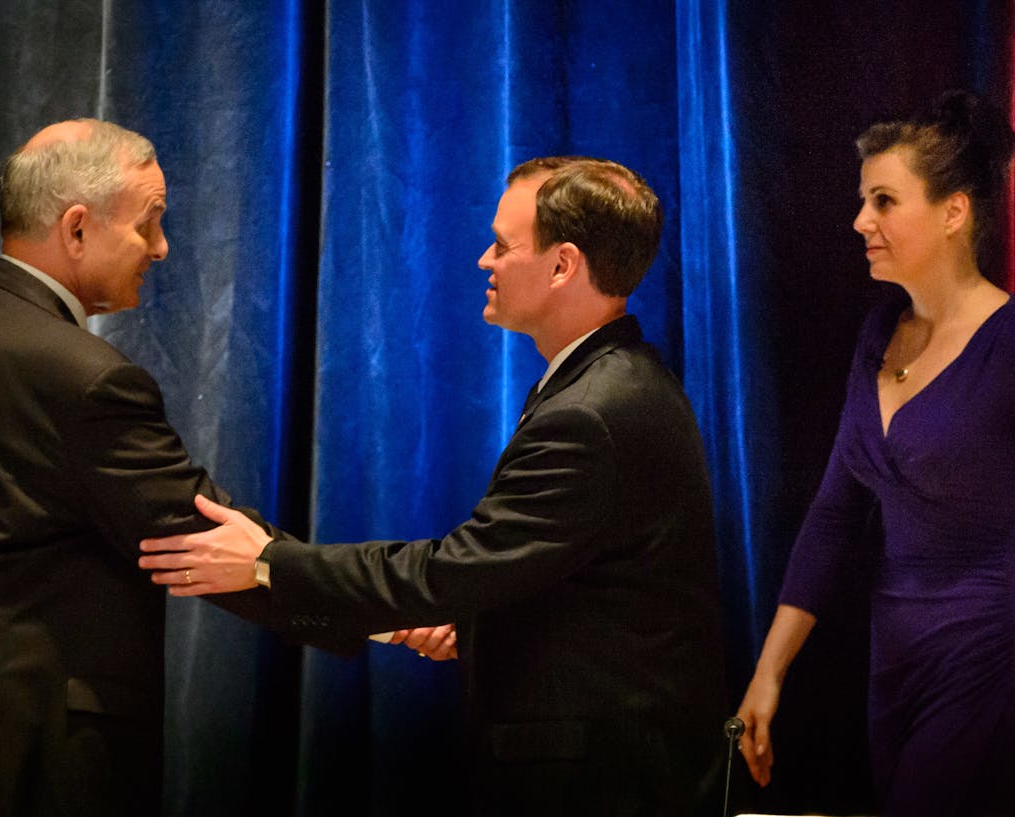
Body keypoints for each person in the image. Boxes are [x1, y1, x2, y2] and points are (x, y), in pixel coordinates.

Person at [139, 156, 729, 816]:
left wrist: (269, 562)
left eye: (503, 246)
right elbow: (549, 582)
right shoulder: (613, 379)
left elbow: (455, 570)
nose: (485, 260)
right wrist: (467, 615)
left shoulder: (590, 409)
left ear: (563, 265)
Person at [0, 119, 340, 817]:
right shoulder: (84, 377)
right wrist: (388, 608)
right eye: (150, 224)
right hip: (11, 758)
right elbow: (195, 534)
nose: (162, 248)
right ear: (77, 228)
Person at [733, 91, 1015, 815]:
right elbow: (833, 515)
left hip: (991, 650)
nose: (862, 221)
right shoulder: (876, 333)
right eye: (864, 200)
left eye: (884, 201)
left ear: (954, 212)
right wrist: (769, 672)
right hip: (895, 657)